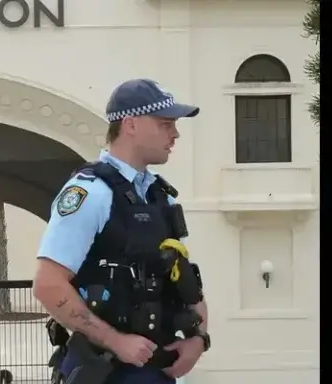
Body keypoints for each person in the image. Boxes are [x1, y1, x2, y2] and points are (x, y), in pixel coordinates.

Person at [33, 79, 211, 384]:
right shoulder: (91, 194)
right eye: (165, 123)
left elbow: (184, 278)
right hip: (105, 370)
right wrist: (116, 341)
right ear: (130, 125)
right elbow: (48, 285)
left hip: (154, 369)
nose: (175, 133)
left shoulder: (160, 196)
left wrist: (199, 340)